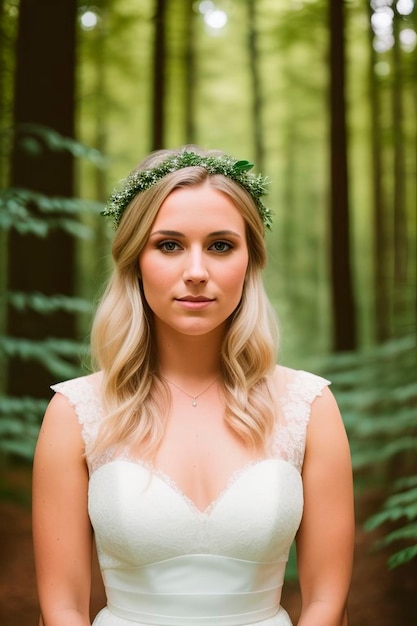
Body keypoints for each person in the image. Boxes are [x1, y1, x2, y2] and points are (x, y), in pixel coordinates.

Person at [32, 145, 354, 626]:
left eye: (221, 245)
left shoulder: (309, 406)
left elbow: (328, 602)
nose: (197, 272)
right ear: (134, 259)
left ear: (251, 260)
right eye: (169, 245)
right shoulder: (76, 410)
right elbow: (62, 608)